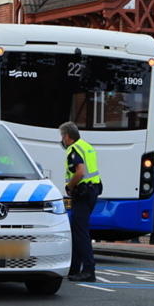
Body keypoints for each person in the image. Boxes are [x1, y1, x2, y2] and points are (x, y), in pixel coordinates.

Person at [60, 121, 101, 282]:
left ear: (66, 136)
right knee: (77, 229)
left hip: (82, 192)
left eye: (62, 137)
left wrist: (69, 187)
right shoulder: (86, 146)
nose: (62, 140)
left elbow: (80, 172)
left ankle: (89, 270)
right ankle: (75, 268)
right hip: (93, 190)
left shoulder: (74, 149)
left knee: (81, 232)